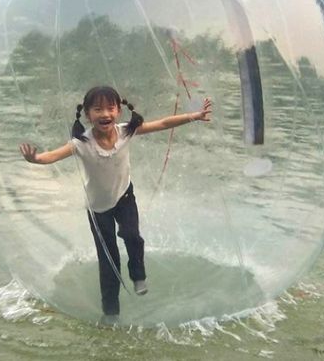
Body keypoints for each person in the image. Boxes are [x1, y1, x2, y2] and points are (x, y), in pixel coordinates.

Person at [20, 86, 212, 324]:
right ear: (88, 114)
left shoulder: (126, 132)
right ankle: (111, 312)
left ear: (118, 111)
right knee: (108, 260)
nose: (105, 114)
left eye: (110, 108)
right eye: (97, 109)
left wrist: (193, 116)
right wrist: (35, 159)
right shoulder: (81, 143)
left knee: (132, 236)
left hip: (124, 197)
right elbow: (52, 156)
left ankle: (138, 275)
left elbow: (162, 123)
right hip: (97, 208)